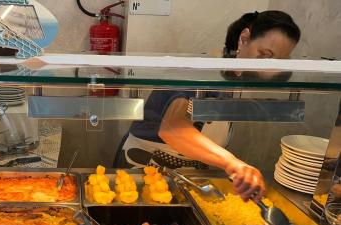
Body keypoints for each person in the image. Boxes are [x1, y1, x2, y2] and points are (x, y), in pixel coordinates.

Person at [115, 10, 301, 202]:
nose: (271, 69)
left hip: (185, 181)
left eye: (279, 61)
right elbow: (172, 128)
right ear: (244, 38)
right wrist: (232, 163)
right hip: (143, 172)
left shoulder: (231, 80)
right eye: (265, 55)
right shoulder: (198, 72)